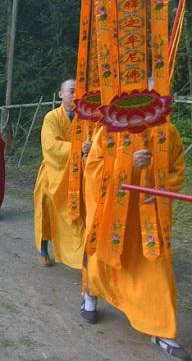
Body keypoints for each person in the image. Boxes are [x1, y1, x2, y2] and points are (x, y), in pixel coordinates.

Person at [81, 123, 188, 360]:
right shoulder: (109, 128)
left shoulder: (166, 130)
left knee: (157, 267)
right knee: (102, 259)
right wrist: (127, 165)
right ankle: (90, 294)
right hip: (114, 212)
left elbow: (177, 168)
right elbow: (94, 170)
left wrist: (161, 186)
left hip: (149, 214)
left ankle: (162, 328)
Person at [33, 79, 87, 267]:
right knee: (46, 207)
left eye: (78, 91)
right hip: (52, 171)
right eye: (71, 91)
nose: (75, 95)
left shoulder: (86, 119)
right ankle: (43, 247)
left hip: (77, 172)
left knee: (78, 212)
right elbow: (51, 146)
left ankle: (77, 252)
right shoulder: (51, 117)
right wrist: (78, 147)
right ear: (61, 94)